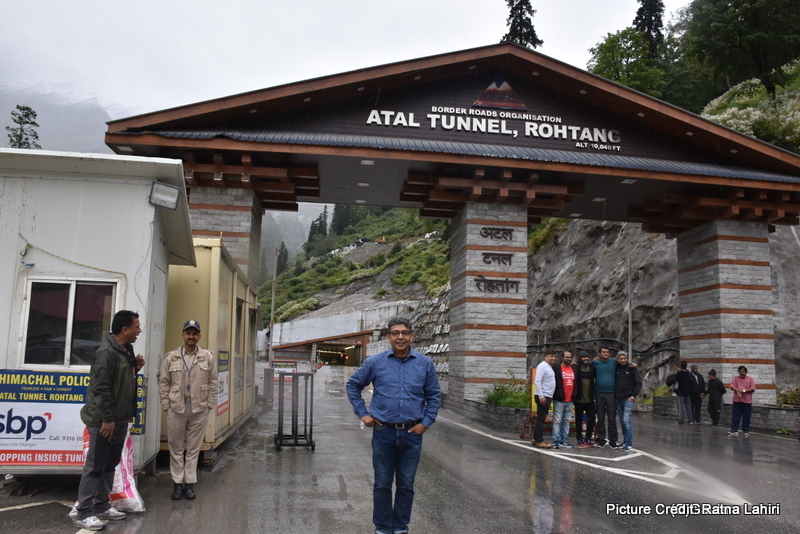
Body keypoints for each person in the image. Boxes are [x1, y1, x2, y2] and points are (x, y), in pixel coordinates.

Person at [346, 317, 441, 534]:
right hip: (383, 432)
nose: (400, 337)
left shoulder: (424, 363)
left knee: (406, 484)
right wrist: (363, 414)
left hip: (412, 433)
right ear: (389, 337)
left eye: (405, 333)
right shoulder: (375, 362)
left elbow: (434, 396)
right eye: (396, 333)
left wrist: (425, 424)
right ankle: (382, 528)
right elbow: (352, 385)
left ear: (411, 336)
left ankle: (400, 527)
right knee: (382, 483)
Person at [74, 310, 144, 531]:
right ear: (125, 329)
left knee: (109, 464)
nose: (139, 331)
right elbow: (101, 388)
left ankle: (102, 505)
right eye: (136, 326)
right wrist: (107, 419)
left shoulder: (125, 350)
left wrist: (136, 368)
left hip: (120, 418)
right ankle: (84, 511)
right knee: (95, 465)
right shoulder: (106, 353)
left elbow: (121, 379)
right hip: (104, 420)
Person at [159, 320, 219, 500]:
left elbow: (214, 382)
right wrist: (166, 406)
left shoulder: (208, 357)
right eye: (188, 333)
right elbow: (164, 383)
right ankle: (177, 485)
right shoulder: (171, 357)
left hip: (199, 408)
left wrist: (209, 404)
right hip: (177, 408)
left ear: (199, 336)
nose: (191, 337)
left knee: (193, 449)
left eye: (194, 333)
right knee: (176, 448)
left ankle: (190, 485)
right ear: (183, 335)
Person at [591, 347, 619, 449]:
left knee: (612, 418)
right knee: (601, 418)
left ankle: (613, 440)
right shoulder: (595, 363)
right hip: (599, 393)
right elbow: (585, 365)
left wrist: (631, 364)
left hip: (611, 393)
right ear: (599, 353)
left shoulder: (614, 361)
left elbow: (623, 362)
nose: (606, 353)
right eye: (603, 352)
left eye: (607, 352)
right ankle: (601, 439)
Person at [614, 352, 642, 451]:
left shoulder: (632, 368)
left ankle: (629, 443)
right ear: (617, 359)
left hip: (628, 399)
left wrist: (633, 396)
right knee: (622, 422)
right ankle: (625, 441)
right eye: (621, 358)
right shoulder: (616, 368)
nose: (623, 360)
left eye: (625, 358)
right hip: (619, 400)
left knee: (626, 421)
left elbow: (638, 383)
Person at [531, 351, 557, 449]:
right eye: (551, 356)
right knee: (541, 419)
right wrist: (541, 396)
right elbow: (537, 380)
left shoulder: (549, 367)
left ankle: (535, 438)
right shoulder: (543, 366)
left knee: (541, 418)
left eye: (554, 356)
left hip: (547, 395)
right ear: (545, 357)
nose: (553, 358)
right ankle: (540, 440)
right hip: (543, 396)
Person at [551, 351, 576, 449]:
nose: (569, 359)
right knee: (557, 421)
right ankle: (556, 441)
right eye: (567, 357)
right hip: (559, 399)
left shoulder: (573, 368)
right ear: (562, 357)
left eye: (570, 357)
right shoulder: (556, 369)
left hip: (570, 400)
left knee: (566, 421)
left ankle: (564, 440)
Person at [573, 351, 596, 447]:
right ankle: (579, 438)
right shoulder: (576, 368)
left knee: (592, 419)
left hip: (590, 399)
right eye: (583, 357)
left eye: (587, 357)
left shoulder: (592, 368)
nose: (586, 359)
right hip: (579, 400)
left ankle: (588, 438)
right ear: (579, 358)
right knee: (578, 420)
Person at [729, 366, 756, 437]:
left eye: (743, 372)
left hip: (747, 401)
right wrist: (737, 390)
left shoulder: (750, 379)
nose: (742, 373)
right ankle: (734, 429)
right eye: (740, 372)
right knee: (735, 415)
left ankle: (746, 430)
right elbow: (731, 386)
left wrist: (743, 391)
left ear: (746, 372)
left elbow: (753, 388)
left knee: (746, 416)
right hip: (737, 400)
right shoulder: (735, 378)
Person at [673, 361, 693, 425]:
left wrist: (678, 370)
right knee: (688, 406)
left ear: (681, 366)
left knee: (681, 406)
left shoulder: (679, 373)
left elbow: (676, 379)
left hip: (681, 392)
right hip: (687, 392)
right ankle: (690, 420)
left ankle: (681, 420)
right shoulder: (688, 373)